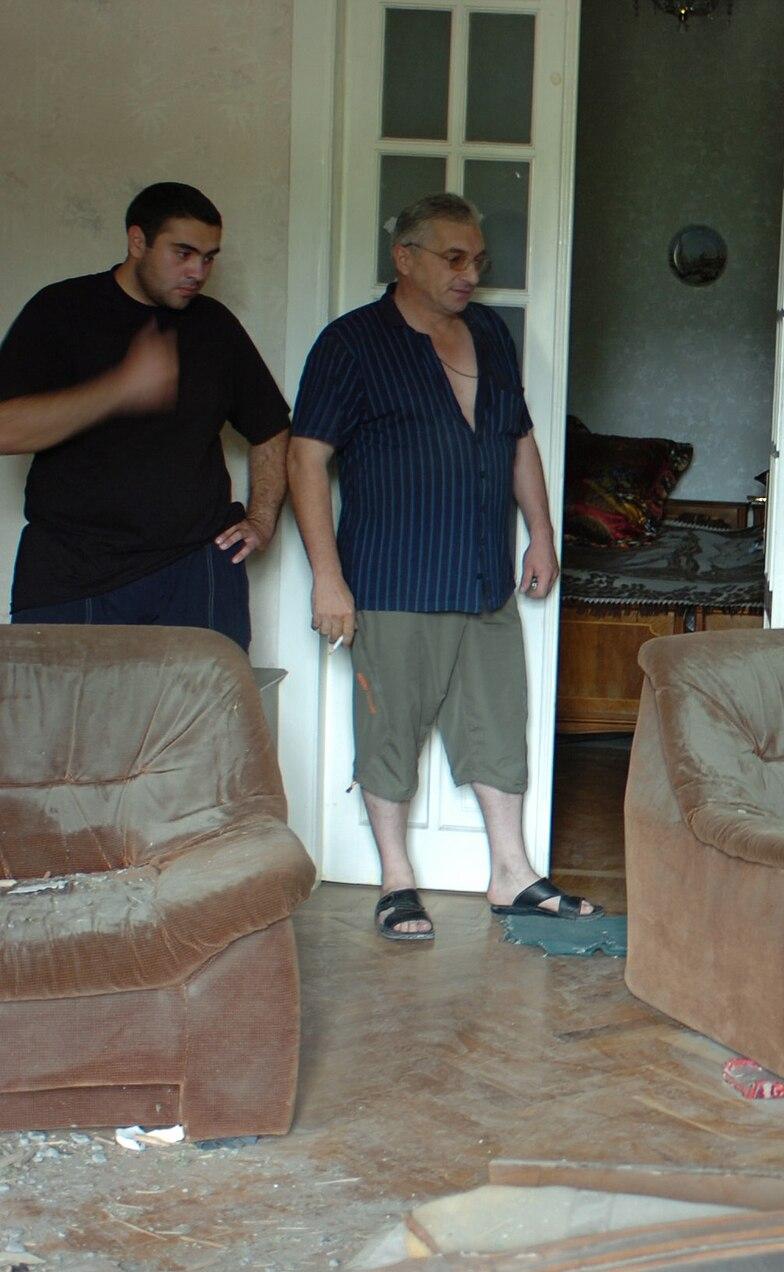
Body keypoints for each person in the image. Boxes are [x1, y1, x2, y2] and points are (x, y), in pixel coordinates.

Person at [288, 192, 593, 941]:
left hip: (484, 574)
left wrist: (542, 533)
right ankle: (396, 882)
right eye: (454, 258)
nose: (470, 274)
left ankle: (512, 874)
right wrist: (327, 576)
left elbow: (517, 436)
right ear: (405, 257)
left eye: (478, 260)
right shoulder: (350, 343)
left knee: (498, 726)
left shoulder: (488, 331)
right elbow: (305, 458)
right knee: (390, 732)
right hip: (394, 575)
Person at [0, 182, 290, 649]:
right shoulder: (61, 310)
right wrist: (119, 388)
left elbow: (271, 428)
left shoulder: (214, 326)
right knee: (57, 699)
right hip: (72, 570)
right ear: (137, 241)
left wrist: (261, 520)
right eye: (183, 253)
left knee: (208, 700)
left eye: (209, 258)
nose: (197, 271)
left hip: (194, 567)